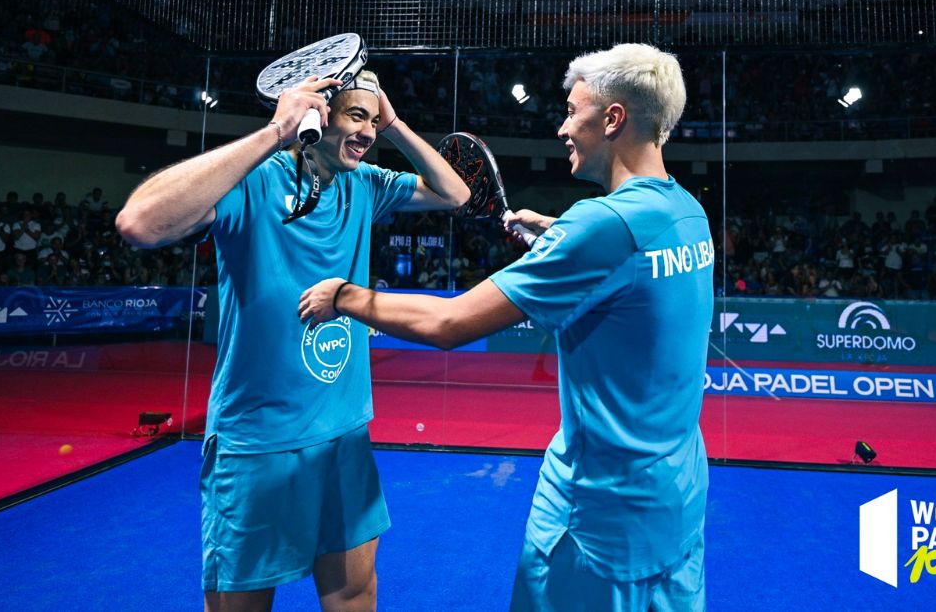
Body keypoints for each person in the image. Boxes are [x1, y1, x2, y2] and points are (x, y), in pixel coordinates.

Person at [298, 43, 713, 611]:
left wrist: (347, 296)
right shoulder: (687, 211)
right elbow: (629, 272)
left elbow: (450, 322)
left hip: (599, 515)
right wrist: (557, 237)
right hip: (677, 497)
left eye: (573, 111)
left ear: (613, 118)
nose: (564, 127)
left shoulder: (601, 225)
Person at [116, 69, 469, 611]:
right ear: (317, 114)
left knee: (355, 591)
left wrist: (393, 122)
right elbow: (140, 223)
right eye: (357, 116)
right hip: (257, 440)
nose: (368, 133)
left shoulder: (367, 183)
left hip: (343, 433)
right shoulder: (255, 180)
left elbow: (455, 193)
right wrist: (274, 133)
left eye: (373, 121)